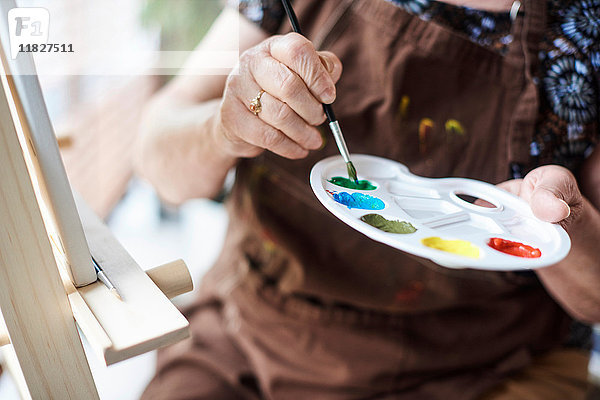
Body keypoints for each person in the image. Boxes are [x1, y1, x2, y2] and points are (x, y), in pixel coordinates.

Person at [135, 0, 600, 398]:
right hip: (250, 331)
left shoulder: (584, 27)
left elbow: (595, 299)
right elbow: (158, 162)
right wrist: (224, 131)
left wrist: (550, 226)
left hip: (475, 369)